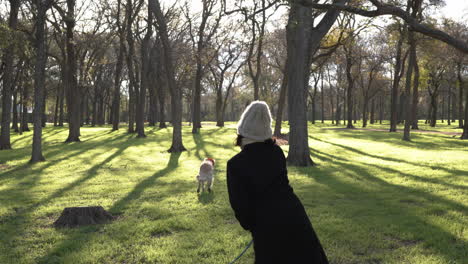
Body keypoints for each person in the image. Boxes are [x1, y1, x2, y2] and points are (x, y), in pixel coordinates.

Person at [227, 101, 329, 264]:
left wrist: (253, 224)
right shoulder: (277, 152)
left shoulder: (235, 164)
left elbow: (240, 206)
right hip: (295, 216)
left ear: (243, 132)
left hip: (266, 226)